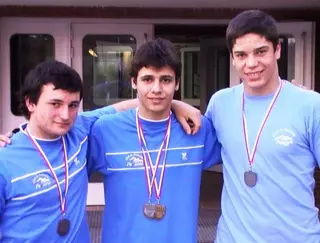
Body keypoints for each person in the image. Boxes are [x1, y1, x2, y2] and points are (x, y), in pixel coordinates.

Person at [0, 60, 199, 242]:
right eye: (55, 104)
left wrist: (174, 104)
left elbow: (123, 107)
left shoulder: (79, 129)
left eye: (73, 105)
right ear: (30, 103)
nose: (65, 115)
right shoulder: (5, 159)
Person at [87, 38, 221, 243]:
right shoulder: (104, 130)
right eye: (148, 79)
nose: (157, 89)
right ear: (134, 82)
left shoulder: (197, 129)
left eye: (166, 80)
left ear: (177, 83)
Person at [205, 10, 320, 243]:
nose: (251, 64)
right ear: (233, 57)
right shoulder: (220, 103)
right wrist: (177, 105)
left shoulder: (311, 105)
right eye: (241, 54)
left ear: (277, 50)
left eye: (260, 52)